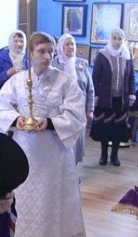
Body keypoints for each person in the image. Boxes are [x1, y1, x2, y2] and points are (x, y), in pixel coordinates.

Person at [0, 32, 88, 237]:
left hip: (52, 154)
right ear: (31, 54)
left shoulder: (65, 81)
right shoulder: (18, 80)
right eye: (41, 51)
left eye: (50, 52)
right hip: (23, 152)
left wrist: (51, 123)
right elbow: (0, 107)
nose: (47, 56)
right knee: (21, 203)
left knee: (47, 204)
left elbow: (77, 115)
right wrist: (17, 119)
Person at [90, 27, 135, 167]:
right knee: (105, 128)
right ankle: (103, 155)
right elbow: (95, 77)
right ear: (110, 39)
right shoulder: (102, 55)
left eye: (120, 38)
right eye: (114, 38)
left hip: (121, 100)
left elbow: (131, 77)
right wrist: (95, 96)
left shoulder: (127, 55)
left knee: (118, 129)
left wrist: (132, 94)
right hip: (105, 99)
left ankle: (114, 156)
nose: (117, 41)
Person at [53, 32, 94, 163]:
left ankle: (73, 168)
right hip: (60, 109)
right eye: (67, 44)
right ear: (61, 46)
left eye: (72, 44)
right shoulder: (54, 64)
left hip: (79, 109)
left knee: (76, 140)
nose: (70, 47)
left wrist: (90, 109)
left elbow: (90, 89)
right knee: (61, 141)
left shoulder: (82, 64)